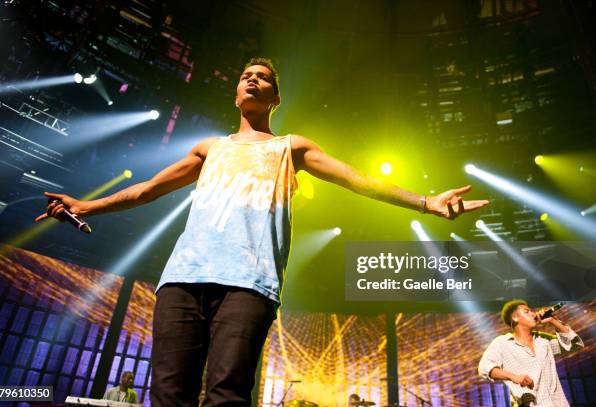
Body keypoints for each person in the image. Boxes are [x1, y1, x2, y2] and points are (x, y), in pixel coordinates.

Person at [37, 58, 489, 406]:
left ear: (275, 98)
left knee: (227, 394)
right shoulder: (209, 148)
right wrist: (86, 203)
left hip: (247, 284)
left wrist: (426, 203)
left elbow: (358, 179)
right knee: (169, 394)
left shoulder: (290, 147)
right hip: (181, 280)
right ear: (236, 92)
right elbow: (147, 190)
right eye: (245, 76)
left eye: (263, 78)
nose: (252, 80)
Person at [478, 300, 584, 407]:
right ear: (515, 317)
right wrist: (513, 377)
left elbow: (575, 345)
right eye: (527, 311)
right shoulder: (503, 343)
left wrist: (553, 320)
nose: (533, 313)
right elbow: (484, 368)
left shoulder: (543, 340)